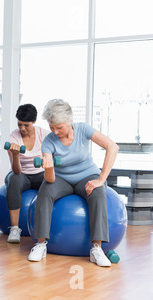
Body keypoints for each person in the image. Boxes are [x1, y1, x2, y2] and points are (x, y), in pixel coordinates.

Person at [28, 99, 119, 267]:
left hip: (87, 174)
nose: (55, 131)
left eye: (59, 127)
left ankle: (96, 249)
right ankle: (40, 244)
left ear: (69, 121)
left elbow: (112, 147)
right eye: (52, 127)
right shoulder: (48, 141)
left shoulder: (83, 129)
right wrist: (48, 168)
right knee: (45, 192)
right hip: (60, 178)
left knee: (98, 194)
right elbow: (50, 179)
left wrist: (101, 179)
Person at [5, 104, 50, 243]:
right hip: (21, 173)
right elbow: (17, 170)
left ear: (34, 122)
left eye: (26, 125)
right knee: (14, 180)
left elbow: (50, 161)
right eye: (20, 124)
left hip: (40, 173)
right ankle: (14, 229)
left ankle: (44, 228)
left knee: (51, 184)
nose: (22, 129)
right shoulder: (14, 136)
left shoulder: (45, 135)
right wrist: (16, 154)